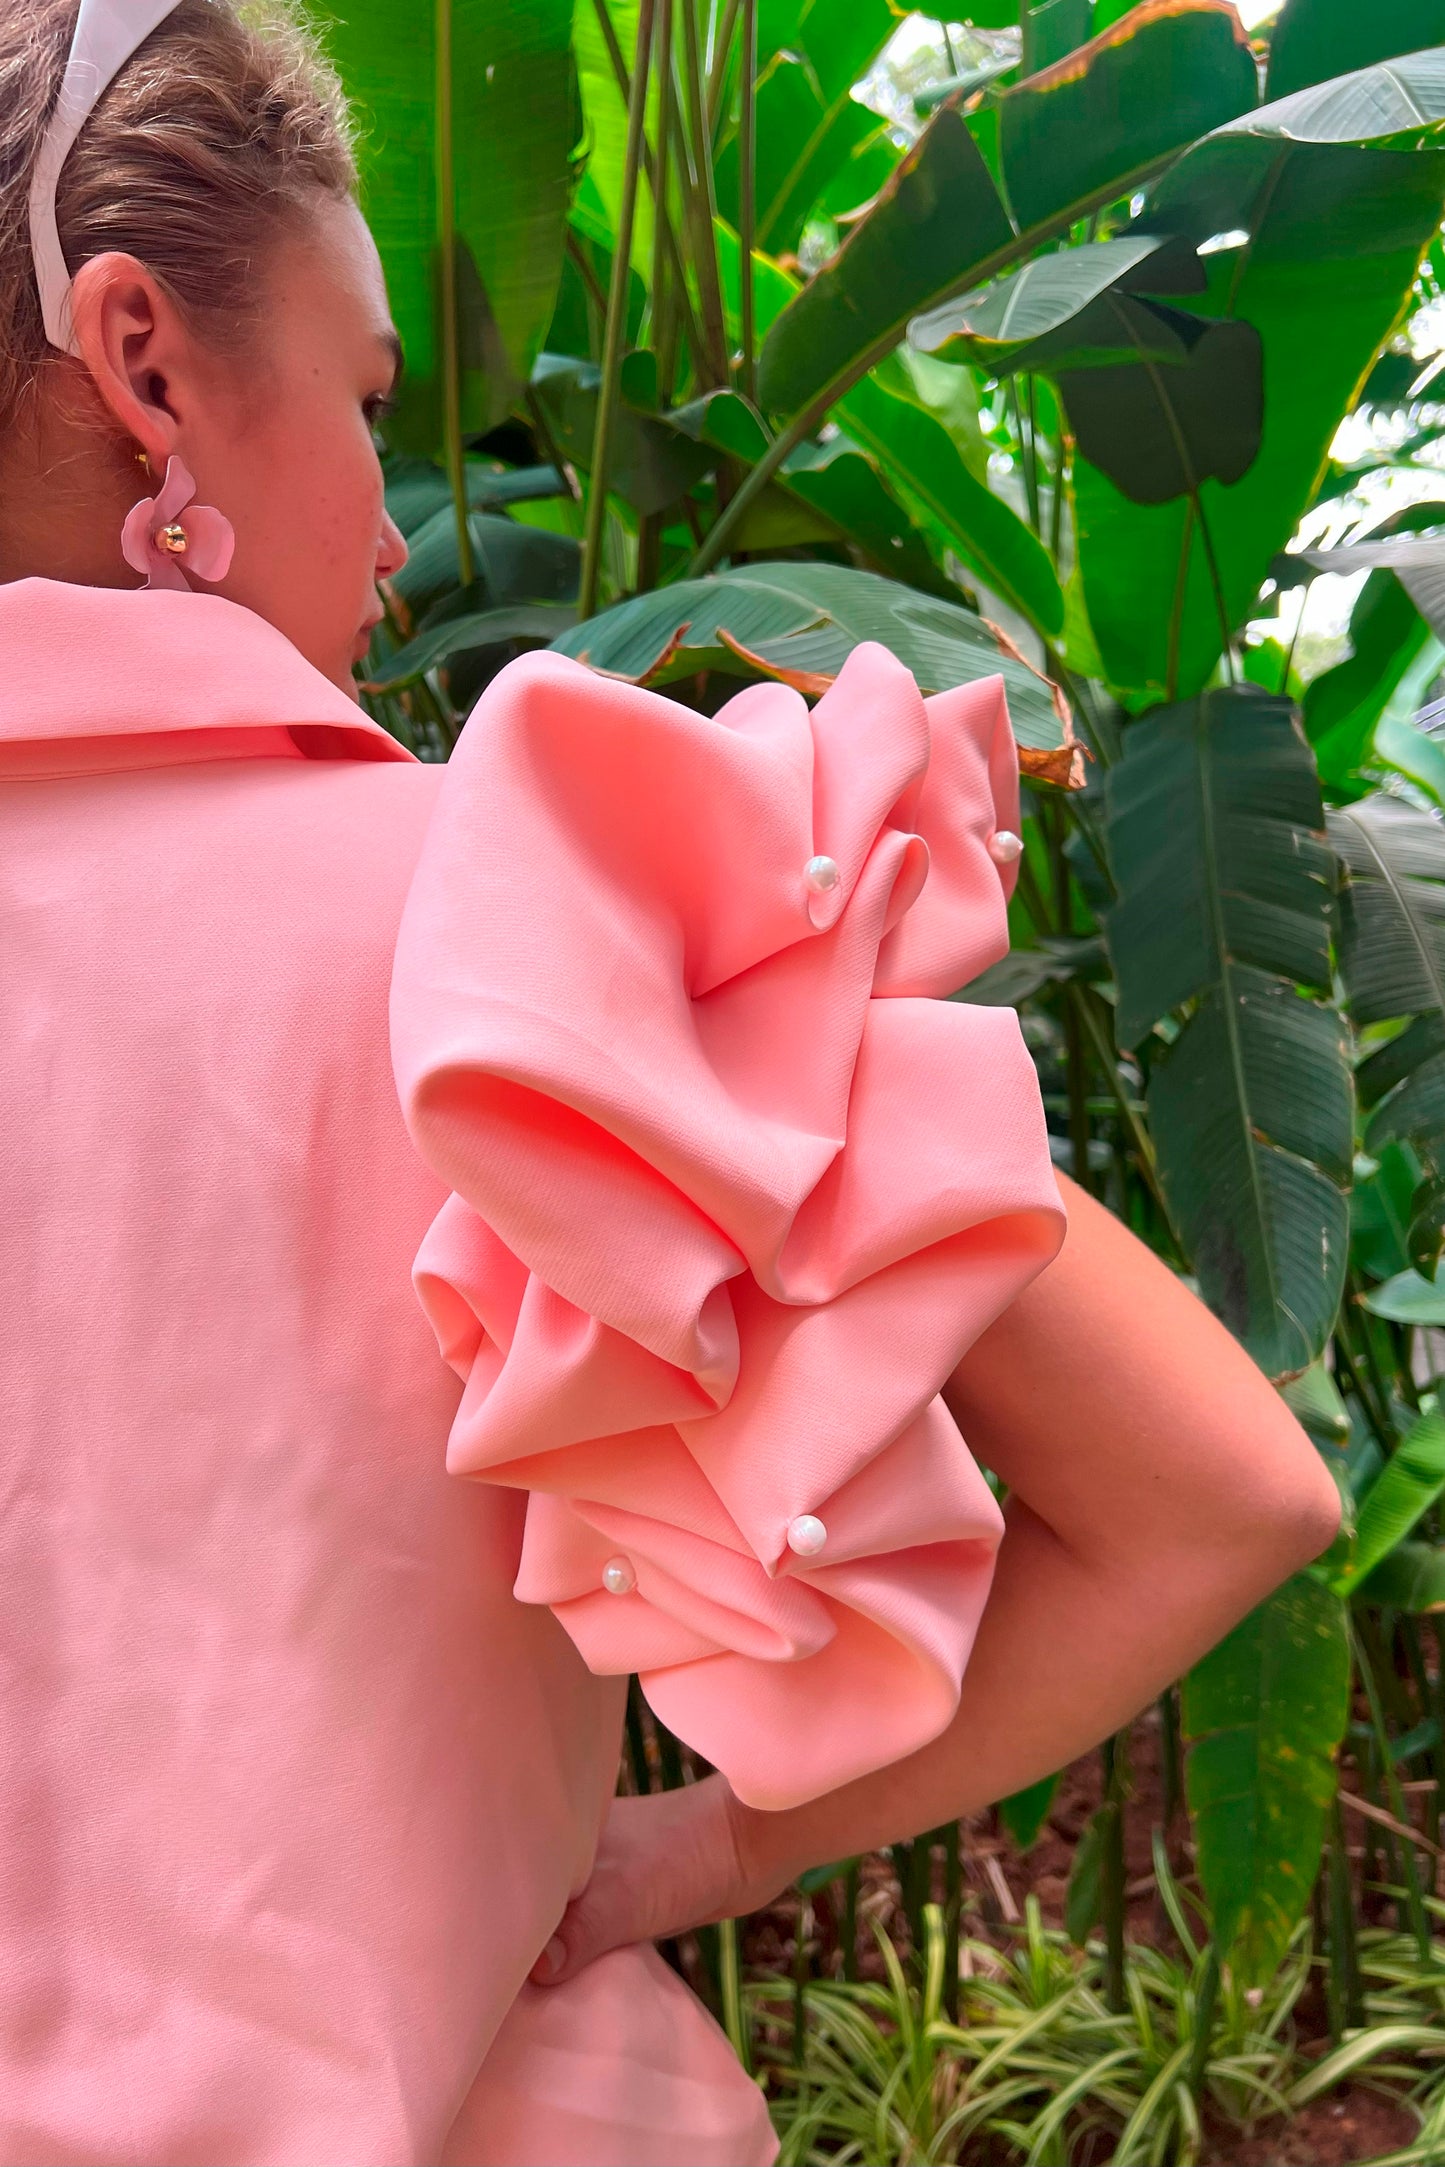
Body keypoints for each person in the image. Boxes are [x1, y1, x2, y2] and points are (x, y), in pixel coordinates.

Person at [0, 1, 1340, 2162]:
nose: (399, 538)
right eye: (367, 402)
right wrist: (701, 1852)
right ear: (145, 363)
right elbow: (1224, 1496)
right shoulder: (516, 936)